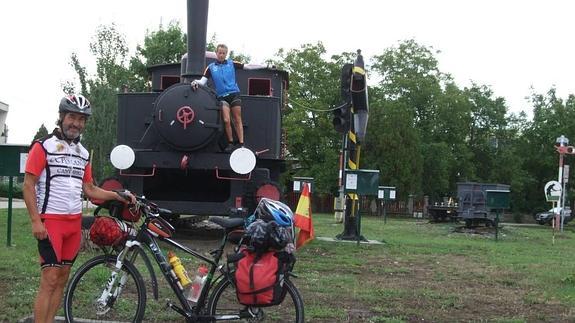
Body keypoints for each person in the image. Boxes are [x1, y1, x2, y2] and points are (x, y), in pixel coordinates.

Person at [23, 94, 136, 323]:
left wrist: (119, 196)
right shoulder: (43, 146)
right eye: (72, 117)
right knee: (50, 278)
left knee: (62, 277)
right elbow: (28, 185)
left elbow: (90, 189)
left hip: (73, 224)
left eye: (81, 119)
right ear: (62, 117)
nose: (76, 123)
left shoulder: (83, 153)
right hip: (51, 223)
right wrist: (35, 221)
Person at [191, 44, 264, 152]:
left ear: (226, 54)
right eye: (219, 53)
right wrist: (194, 82)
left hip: (234, 94)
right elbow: (202, 81)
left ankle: (241, 144)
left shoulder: (231, 63)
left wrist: (265, 66)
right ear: (216, 53)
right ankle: (230, 143)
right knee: (226, 120)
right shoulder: (211, 67)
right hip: (222, 96)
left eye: (223, 53)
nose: (221, 55)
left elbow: (248, 66)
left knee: (237, 119)